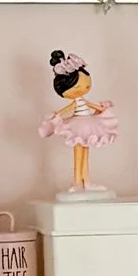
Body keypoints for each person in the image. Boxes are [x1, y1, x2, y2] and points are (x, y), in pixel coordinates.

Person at [39, 50, 121, 196]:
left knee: (85, 151)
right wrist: (56, 117)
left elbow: (92, 106)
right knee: (78, 153)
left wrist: (103, 108)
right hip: (77, 125)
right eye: (78, 87)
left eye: (87, 86)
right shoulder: (75, 102)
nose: (84, 89)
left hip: (88, 124)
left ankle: (86, 181)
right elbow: (67, 109)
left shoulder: (83, 101)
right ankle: (77, 181)